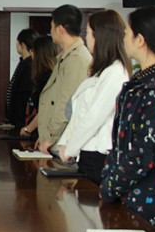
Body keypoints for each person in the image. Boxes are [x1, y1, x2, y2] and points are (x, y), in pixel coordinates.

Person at [99, 7, 155, 232]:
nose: (123, 39)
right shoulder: (142, 83)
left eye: (126, 33)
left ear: (140, 40)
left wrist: (111, 186)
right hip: (129, 196)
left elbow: (145, 152)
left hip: (150, 205)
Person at [53, 10, 130, 183]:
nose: (86, 37)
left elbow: (94, 117)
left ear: (99, 36)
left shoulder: (115, 73)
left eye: (88, 33)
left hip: (98, 155)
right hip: (86, 152)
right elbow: (78, 114)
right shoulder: (99, 71)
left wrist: (70, 148)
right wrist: (65, 143)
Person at [36, 4, 92, 153]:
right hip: (55, 140)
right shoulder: (65, 56)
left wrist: (49, 137)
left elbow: (66, 105)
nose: (50, 31)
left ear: (60, 29)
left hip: (62, 143)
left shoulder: (77, 58)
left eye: (51, 27)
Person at [19, 36, 57, 139]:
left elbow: (45, 110)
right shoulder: (41, 76)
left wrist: (28, 129)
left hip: (40, 132)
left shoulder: (48, 77)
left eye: (33, 51)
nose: (31, 54)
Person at [5, 29, 37, 129]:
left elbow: (23, 97)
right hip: (16, 119)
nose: (16, 45)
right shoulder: (23, 63)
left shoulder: (29, 66)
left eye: (17, 42)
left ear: (22, 45)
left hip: (21, 121)